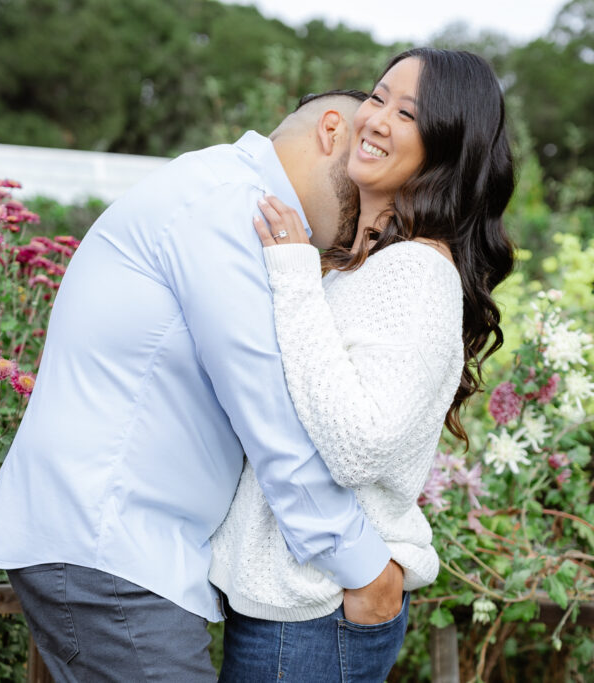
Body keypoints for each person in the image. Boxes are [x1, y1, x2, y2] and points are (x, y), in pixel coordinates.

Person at [0, 90, 406, 682]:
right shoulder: (231, 207)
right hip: (110, 549)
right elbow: (271, 414)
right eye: (370, 181)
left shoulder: (230, 195)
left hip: (124, 548)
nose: (380, 209)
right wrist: (365, 565)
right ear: (333, 131)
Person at [210, 47, 516, 681]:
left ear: (448, 144)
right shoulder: (365, 268)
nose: (376, 119)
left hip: (319, 611)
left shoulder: (416, 271)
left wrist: (293, 275)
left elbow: (359, 443)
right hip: (299, 603)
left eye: (408, 113)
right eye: (377, 99)